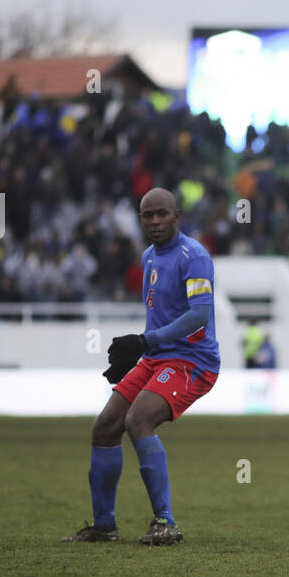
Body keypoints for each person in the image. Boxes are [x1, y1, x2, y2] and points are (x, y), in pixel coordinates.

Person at [62, 187, 219, 544]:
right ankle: (104, 525)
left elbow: (198, 315)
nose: (155, 221)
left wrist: (145, 342)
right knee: (104, 427)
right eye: (148, 216)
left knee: (138, 420)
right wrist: (138, 354)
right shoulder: (148, 256)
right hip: (156, 358)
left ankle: (166, 522)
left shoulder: (193, 256)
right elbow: (161, 316)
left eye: (162, 214)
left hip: (192, 361)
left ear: (177, 216)